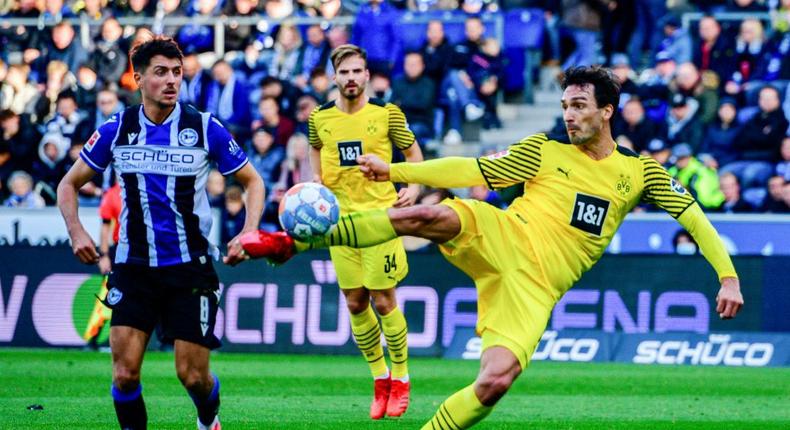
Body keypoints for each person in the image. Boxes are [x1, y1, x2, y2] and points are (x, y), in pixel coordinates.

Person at [239, 66, 744, 429]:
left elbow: (694, 217)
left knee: (493, 384)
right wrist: (397, 170)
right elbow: (470, 170)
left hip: (535, 289)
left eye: (579, 106)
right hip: (501, 235)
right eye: (565, 105)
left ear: (607, 111)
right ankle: (296, 241)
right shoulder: (544, 151)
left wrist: (727, 275)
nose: (569, 115)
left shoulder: (639, 172)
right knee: (430, 214)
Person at [56, 35, 265, 430]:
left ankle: (209, 420)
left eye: (177, 72)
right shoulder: (117, 128)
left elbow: (253, 182)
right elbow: (68, 184)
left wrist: (249, 231)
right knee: (124, 374)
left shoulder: (204, 127)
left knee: (193, 377)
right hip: (133, 266)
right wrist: (76, 231)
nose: (172, 80)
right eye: (160, 73)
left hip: (191, 269)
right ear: (138, 79)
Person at [306, 44, 424, 420]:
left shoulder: (387, 114)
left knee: (384, 299)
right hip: (340, 223)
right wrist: (315, 182)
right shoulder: (319, 118)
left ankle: (402, 377)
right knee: (355, 302)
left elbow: (415, 156)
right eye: (344, 73)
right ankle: (380, 377)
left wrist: (413, 187)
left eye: (357, 71)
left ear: (367, 75)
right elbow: (315, 150)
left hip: (380, 219)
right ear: (334, 78)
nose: (351, 78)